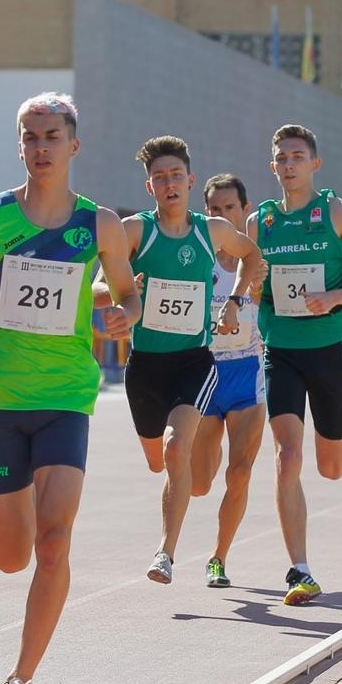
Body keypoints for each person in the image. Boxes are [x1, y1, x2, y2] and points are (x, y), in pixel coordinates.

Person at [0, 92, 139, 684]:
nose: (40, 148)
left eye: (51, 136)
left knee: (53, 544)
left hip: (66, 397)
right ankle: (22, 491)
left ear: (73, 145)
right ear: (19, 145)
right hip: (1, 397)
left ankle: (20, 680)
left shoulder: (99, 225)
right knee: (11, 557)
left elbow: (129, 296)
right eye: (30, 137)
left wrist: (120, 315)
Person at [108, 136, 263, 585]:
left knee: (178, 448)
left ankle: (165, 553)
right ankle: (174, 512)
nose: (169, 183)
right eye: (160, 177)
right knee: (162, 464)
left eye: (176, 175)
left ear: (191, 180)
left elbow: (251, 255)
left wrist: (234, 300)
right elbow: (101, 284)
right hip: (144, 368)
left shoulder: (211, 230)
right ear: (149, 186)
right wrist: (122, 299)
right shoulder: (134, 231)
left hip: (194, 362)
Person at [247, 125, 342, 604]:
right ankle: (300, 570)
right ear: (272, 166)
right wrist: (243, 299)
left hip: (328, 350)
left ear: (314, 164)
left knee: (331, 468)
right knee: (287, 456)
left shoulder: (337, 212)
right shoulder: (259, 223)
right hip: (280, 348)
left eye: (297, 156)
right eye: (281, 157)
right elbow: (251, 286)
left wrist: (332, 298)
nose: (289, 165)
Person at [189, 173, 267, 588]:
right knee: (200, 484)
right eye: (214, 210)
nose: (222, 215)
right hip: (206, 375)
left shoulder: (260, 263)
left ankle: (218, 557)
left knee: (239, 474)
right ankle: (208, 448)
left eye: (229, 208)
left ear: (245, 209)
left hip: (247, 375)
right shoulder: (197, 260)